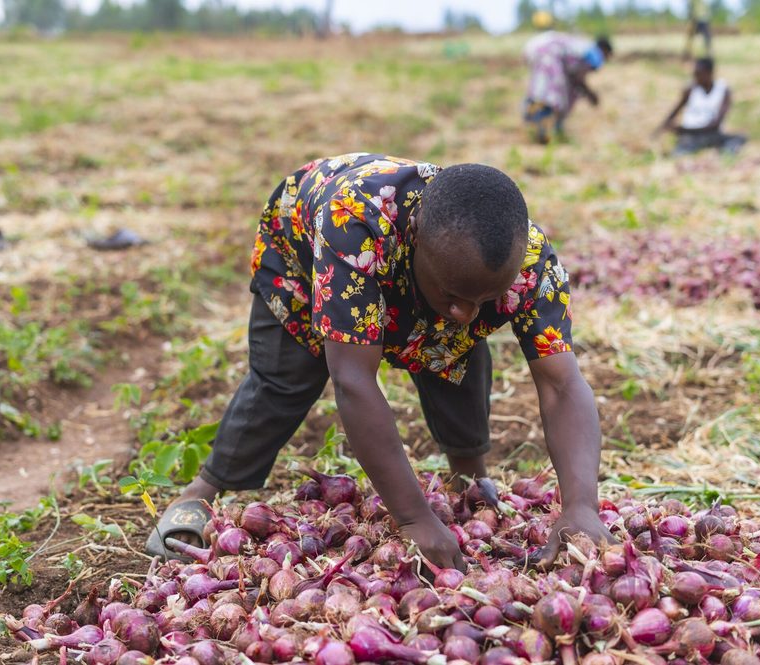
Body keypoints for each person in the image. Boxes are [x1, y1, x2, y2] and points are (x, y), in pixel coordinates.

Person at [145, 153, 614, 571]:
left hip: (417, 271)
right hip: (307, 252)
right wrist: (414, 517)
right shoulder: (356, 220)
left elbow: (562, 386)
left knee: (455, 356)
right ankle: (201, 492)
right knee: (287, 378)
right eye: (453, 295)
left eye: (485, 298)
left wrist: (581, 506)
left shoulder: (533, 262)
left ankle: (470, 477)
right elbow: (353, 381)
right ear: (414, 239)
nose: (466, 313)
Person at [522, 32, 613, 144]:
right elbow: (577, 77)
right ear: (605, 50)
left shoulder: (580, 46)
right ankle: (544, 131)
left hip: (537, 47)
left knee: (542, 90)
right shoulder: (594, 54)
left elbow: (574, 78)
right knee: (550, 94)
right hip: (548, 53)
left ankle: (545, 127)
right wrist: (590, 93)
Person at [655, 58, 746, 157]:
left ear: (709, 73)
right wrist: (660, 129)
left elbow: (716, 124)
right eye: (694, 74)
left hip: (710, 133)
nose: (695, 77)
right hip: (690, 136)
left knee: (739, 138)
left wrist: (683, 130)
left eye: (699, 74)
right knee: (684, 147)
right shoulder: (690, 90)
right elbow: (675, 110)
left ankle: (723, 154)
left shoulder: (723, 90)